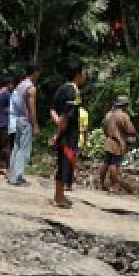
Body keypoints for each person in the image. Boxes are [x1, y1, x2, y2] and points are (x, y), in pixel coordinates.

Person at [48, 60, 85, 209]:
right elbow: (66, 115)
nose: (85, 76)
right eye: (84, 72)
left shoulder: (61, 89)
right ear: (78, 74)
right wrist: (59, 131)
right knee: (66, 164)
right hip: (68, 135)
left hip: (64, 132)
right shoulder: (73, 91)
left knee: (63, 163)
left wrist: (57, 125)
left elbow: (52, 110)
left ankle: (60, 195)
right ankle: (58, 197)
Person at [8, 64, 38, 186]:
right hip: (26, 121)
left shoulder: (20, 85)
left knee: (16, 147)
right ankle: (17, 176)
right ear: (35, 73)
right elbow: (32, 107)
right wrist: (35, 124)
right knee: (24, 150)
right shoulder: (31, 87)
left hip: (18, 120)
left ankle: (12, 174)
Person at [98, 96, 136, 192]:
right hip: (118, 143)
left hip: (108, 141)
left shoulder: (109, 115)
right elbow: (131, 130)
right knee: (114, 164)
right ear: (124, 105)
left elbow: (103, 126)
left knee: (106, 163)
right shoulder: (123, 116)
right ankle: (113, 185)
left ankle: (101, 183)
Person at [0, 75, 12, 175]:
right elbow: (11, 108)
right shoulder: (7, 94)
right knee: (6, 146)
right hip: (5, 122)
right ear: (8, 84)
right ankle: (8, 168)